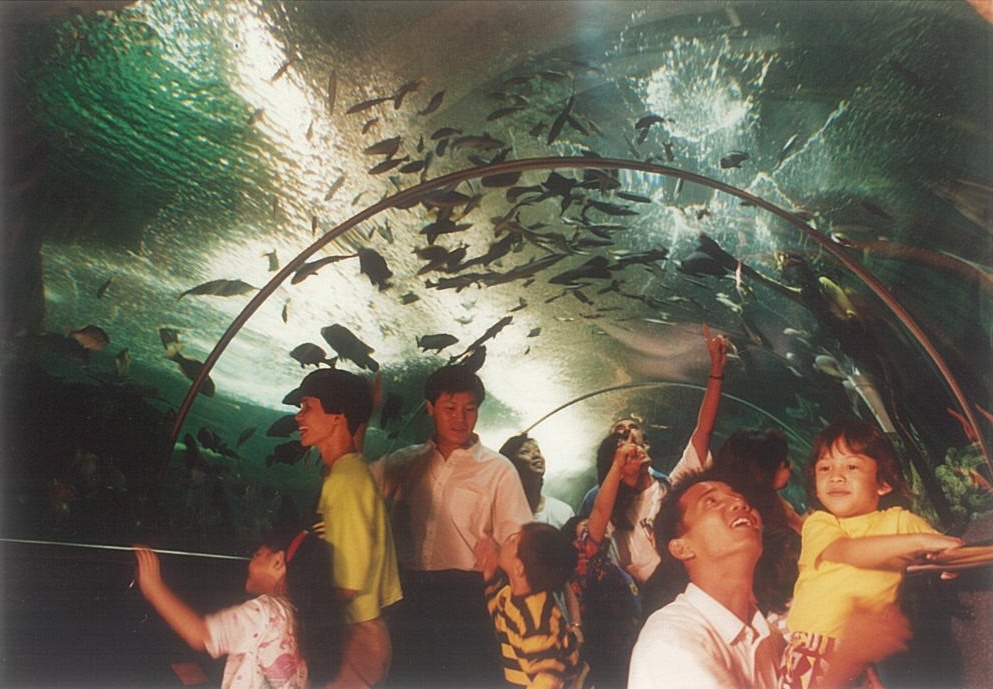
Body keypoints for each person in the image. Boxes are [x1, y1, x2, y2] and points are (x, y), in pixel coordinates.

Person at [629, 469, 915, 689]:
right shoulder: (671, 642)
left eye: (739, 498)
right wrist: (847, 661)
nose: (738, 503)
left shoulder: (771, 638)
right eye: (711, 502)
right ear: (681, 547)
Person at [369, 364, 532, 687]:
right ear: (430, 408)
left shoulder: (499, 470)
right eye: (450, 408)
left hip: (469, 598)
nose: (461, 419)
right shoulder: (404, 462)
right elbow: (356, 489)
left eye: (469, 409)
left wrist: (499, 554)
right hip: (409, 594)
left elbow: (522, 541)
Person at [781, 418, 964, 689]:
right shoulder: (820, 523)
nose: (836, 476)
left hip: (866, 652)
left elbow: (944, 548)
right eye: (825, 468)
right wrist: (920, 541)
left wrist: (950, 563)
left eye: (852, 466)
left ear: (883, 483)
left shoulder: (901, 521)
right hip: (813, 644)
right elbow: (847, 552)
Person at [576, 325, 728, 585]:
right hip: (652, 594)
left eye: (632, 435)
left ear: (646, 444)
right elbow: (596, 523)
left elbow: (703, 429)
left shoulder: (673, 486)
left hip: (694, 580)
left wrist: (715, 372)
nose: (629, 444)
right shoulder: (613, 514)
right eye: (620, 443)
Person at [293, 369, 402, 688]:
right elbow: (350, 444)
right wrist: (363, 409)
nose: (299, 417)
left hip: (354, 641)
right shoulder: (351, 470)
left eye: (307, 407)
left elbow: (348, 584)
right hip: (365, 634)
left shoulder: (344, 483)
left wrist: (289, 608)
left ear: (338, 417)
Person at [133, 529, 342, 689]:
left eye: (257, 554)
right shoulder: (298, 618)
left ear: (278, 562)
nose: (250, 562)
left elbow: (200, 635)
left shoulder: (264, 612)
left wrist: (154, 588)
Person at [563, 437, 642, 689]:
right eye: (585, 528)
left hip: (625, 652)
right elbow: (600, 512)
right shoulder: (585, 565)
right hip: (607, 659)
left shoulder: (608, 566)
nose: (597, 529)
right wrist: (617, 466)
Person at [475, 523, 585, 689]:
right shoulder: (511, 596)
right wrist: (489, 571)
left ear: (519, 568)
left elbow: (548, 679)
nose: (506, 540)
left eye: (514, 540)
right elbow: (499, 615)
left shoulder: (537, 620)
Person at [712, 428, 803, 616]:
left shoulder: (774, 504)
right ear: (764, 472)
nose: (791, 466)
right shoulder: (759, 527)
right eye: (784, 463)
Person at [501, 433, 575, 528]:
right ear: (509, 463)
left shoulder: (562, 512)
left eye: (538, 451)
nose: (536, 455)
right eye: (525, 452)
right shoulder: (501, 513)